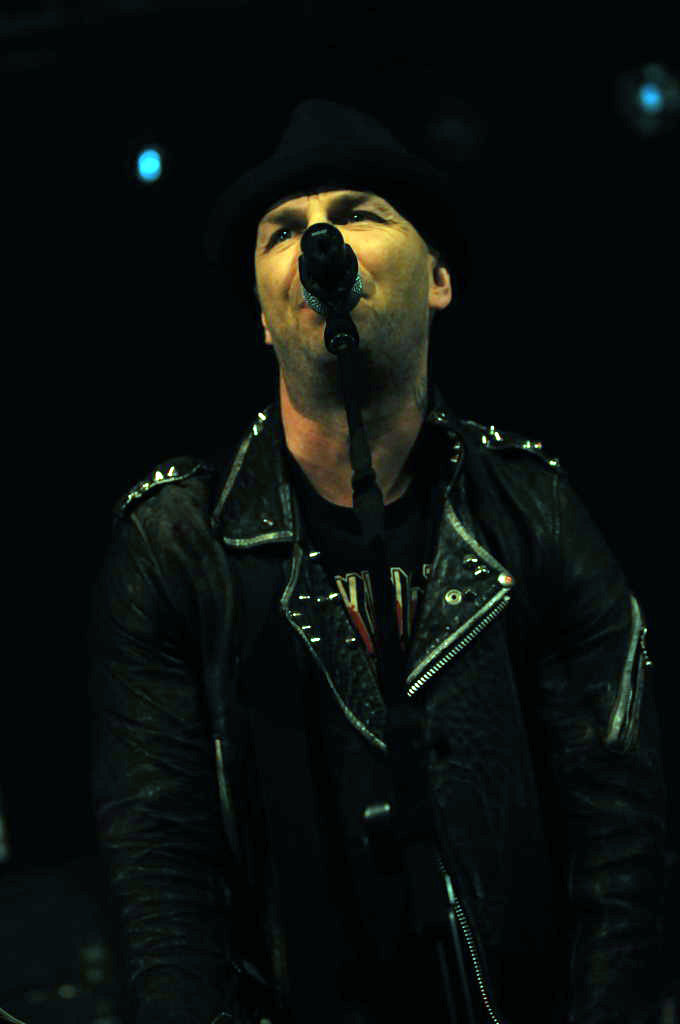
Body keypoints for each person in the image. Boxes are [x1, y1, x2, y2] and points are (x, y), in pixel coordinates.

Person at [87, 98, 668, 1024]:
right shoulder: (176, 544)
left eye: (357, 213)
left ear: (438, 278)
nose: (318, 239)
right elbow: (159, 870)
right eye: (283, 230)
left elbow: (621, 834)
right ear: (263, 316)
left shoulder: (536, 511)